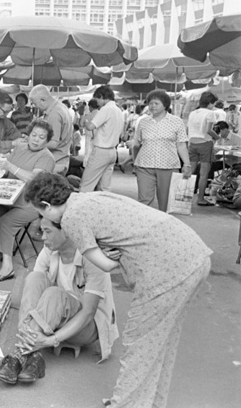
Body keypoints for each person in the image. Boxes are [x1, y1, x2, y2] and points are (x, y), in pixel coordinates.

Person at [24, 173, 211, 408]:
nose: (42, 221)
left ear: (48, 206)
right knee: (160, 341)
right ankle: (150, 402)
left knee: (140, 343)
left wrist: (111, 255)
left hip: (167, 267)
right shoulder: (90, 198)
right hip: (192, 253)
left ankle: (125, 404)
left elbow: (106, 265)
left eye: (41, 214)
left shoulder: (71, 218)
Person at [0, 216, 118, 385]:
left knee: (54, 293)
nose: (42, 237)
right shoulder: (49, 250)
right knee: (34, 278)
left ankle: (20, 353)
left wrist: (50, 341)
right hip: (55, 315)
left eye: (47, 231)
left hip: (87, 325)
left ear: (66, 232)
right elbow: (34, 292)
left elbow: (88, 313)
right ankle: (34, 355)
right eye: (42, 231)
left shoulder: (92, 257)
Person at [0, 120, 55, 282]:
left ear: (47, 141)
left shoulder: (46, 157)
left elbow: (32, 178)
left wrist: (9, 166)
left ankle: (7, 268)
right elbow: (7, 162)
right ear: (28, 135)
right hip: (10, 197)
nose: (36, 140)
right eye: (33, 135)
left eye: (41, 137)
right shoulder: (21, 147)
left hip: (31, 204)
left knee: (5, 223)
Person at [128, 90, 191, 212]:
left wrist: (187, 164)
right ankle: (145, 228)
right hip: (144, 166)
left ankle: (164, 227)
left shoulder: (176, 122)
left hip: (168, 167)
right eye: (150, 103)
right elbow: (136, 144)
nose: (152, 106)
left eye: (156, 103)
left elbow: (181, 144)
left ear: (165, 105)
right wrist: (135, 163)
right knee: (144, 201)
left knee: (165, 202)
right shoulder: (143, 122)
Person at [79, 86, 124, 192]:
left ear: (102, 97)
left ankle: (81, 207)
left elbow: (90, 126)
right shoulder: (118, 110)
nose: (97, 103)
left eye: (97, 100)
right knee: (105, 187)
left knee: (86, 184)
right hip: (112, 151)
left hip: (101, 151)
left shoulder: (106, 109)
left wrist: (85, 119)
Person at [29, 85, 73, 174]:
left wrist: (33, 144)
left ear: (43, 100)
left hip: (56, 161)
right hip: (61, 159)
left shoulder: (54, 114)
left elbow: (53, 143)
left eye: (35, 103)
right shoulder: (60, 107)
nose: (35, 106)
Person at [188, 91, 220, 206]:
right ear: (210, 103)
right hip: (205, 143)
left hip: (192, 143)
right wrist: (218, 137)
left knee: (190, 171)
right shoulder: (210, 113)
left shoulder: (193, 113)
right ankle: (200, 199)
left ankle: (183, 196)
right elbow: (208, 131)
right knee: (204, 173)